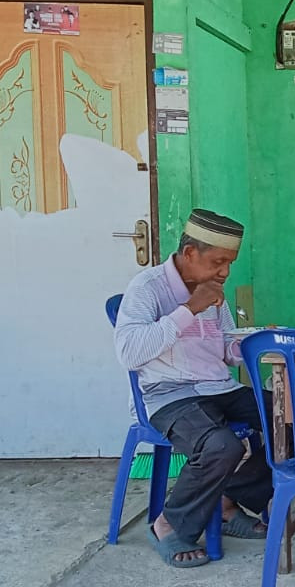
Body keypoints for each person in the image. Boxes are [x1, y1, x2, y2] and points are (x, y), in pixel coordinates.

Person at [114, 209, 273, 568]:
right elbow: (128, 352)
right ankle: (170, 522)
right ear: (189, 253)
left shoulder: (214, 293)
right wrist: (188, 309)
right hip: (168, 393)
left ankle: (229, 500)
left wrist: (252, 343)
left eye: (229, 263)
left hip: (217, 387)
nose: (225, 272)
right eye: (218, 262)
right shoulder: (148, 287)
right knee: (220, 445)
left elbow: (226, 351)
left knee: (289, 417)